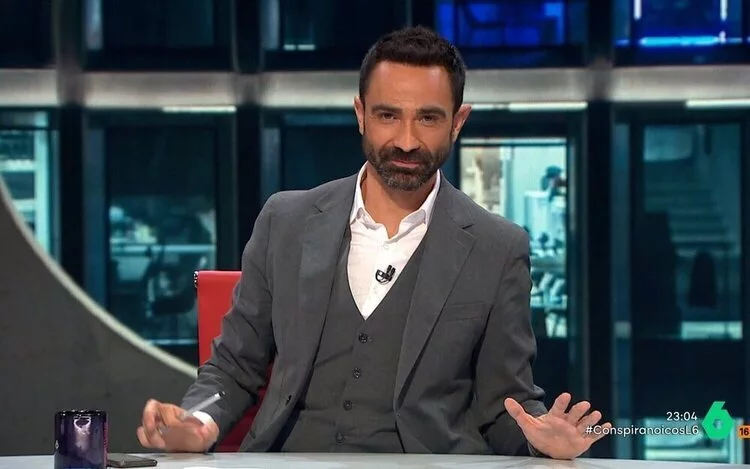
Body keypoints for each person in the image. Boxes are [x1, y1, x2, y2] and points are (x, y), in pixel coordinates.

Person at [137, 26, 611, 459]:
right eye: (388, 115)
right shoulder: (286, 221)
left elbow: (503, 405)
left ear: (458, 121)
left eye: (428, 118)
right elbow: (234, 367)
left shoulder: (497, 247)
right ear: (360, 114)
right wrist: (199, 423)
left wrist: (540, 440)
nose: (406, 140)